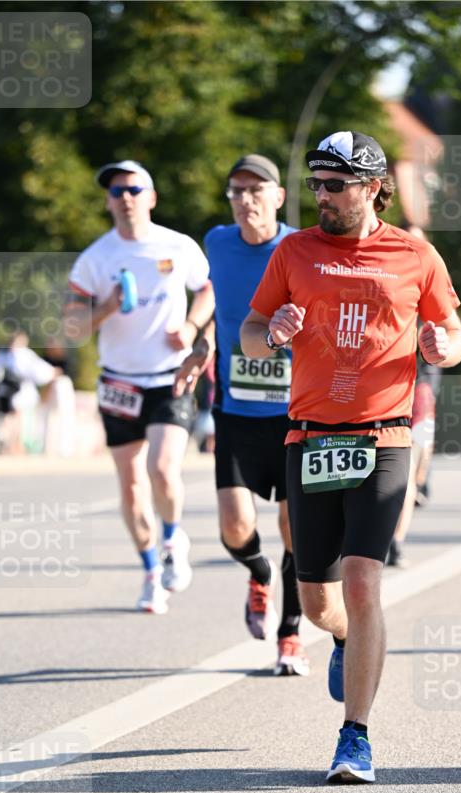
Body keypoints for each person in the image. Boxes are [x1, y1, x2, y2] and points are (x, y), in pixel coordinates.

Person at [240, 131, 461, 782]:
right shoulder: (293, 251)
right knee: (317, 603)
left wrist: (440, 346)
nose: (322, 197)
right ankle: (341, 638)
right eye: (315, 184)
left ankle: (354, 737)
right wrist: (269, 334)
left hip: (384, 435)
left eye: (335, 185)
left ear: (371, 187)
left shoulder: (413, 253)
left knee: (364, 577)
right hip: (310, 437)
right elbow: (254, 331)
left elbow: (452, 332)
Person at [176, 154, 309, 676]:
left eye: (256, 190)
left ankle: (291, 635)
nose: (245, 199)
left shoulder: (301, 249)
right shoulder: (217, 243)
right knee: (234, 526)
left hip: (297, 411)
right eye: (235, 191)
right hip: (235, 407)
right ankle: (259, 573)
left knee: (295, 527)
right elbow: (223, 308)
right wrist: (200, 344)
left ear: (278, 197)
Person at [64, 159, 214, 614]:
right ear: (108, 202)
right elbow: (72, 329)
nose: (124, 197)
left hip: (169, 376)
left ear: (151, 197)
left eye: (133, 189)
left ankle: (172, 539)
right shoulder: (96, 258)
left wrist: (190, 327)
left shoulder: (178, 246)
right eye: (115, 191)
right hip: (118, 383)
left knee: (163, 470)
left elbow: (209, 290)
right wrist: (106, 308)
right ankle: (151, 572)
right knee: (130, 486)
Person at [386, 224, 442, 568]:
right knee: (404, 474)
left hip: (421, 392)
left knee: (415, 470)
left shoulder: (433, 282)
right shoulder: (384, 278)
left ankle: (396, 540)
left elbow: (452, 335)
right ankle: (394, 542)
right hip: (386, 392)